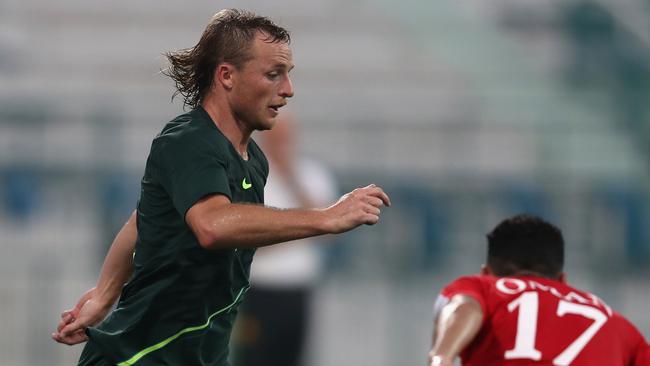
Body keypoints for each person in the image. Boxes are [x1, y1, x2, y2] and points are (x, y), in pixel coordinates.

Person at [51, 9, 391, 366]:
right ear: (227, 75)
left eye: (288, 76)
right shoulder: (189, 141)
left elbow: (142, 221)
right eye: (273, 75)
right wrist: (326, 216)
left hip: (202, 356)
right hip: (140, 356)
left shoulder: (253, 159)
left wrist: (105, 294)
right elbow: (212, 226)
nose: (288, 90)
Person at [428, 214, 649, 366]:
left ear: (487, 273)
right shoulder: (617, 323)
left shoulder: (484, 287)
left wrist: (441, 356)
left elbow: (465, 305)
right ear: (563, 280)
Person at [232, 113, 338, 366]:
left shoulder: (311, 174)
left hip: (298, 289)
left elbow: (327, 228)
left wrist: (290, 177)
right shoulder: (248, 175)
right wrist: (301, 232)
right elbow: (246, 240)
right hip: (259, 291)